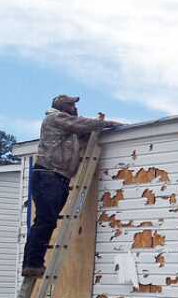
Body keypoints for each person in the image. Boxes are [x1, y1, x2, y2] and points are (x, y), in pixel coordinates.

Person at [21, 95, 120, 277]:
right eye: (72, 105)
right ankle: (32, 264)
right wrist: (107, 124)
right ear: (64, 107)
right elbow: (79, 124)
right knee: (45, 221)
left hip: (59, 177)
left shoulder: (67, 130)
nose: (75, 108)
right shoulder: (55, 118)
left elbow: (82, 133)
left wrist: (96, 127)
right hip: (48, 175)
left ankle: (34, 263)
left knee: (48, 221)